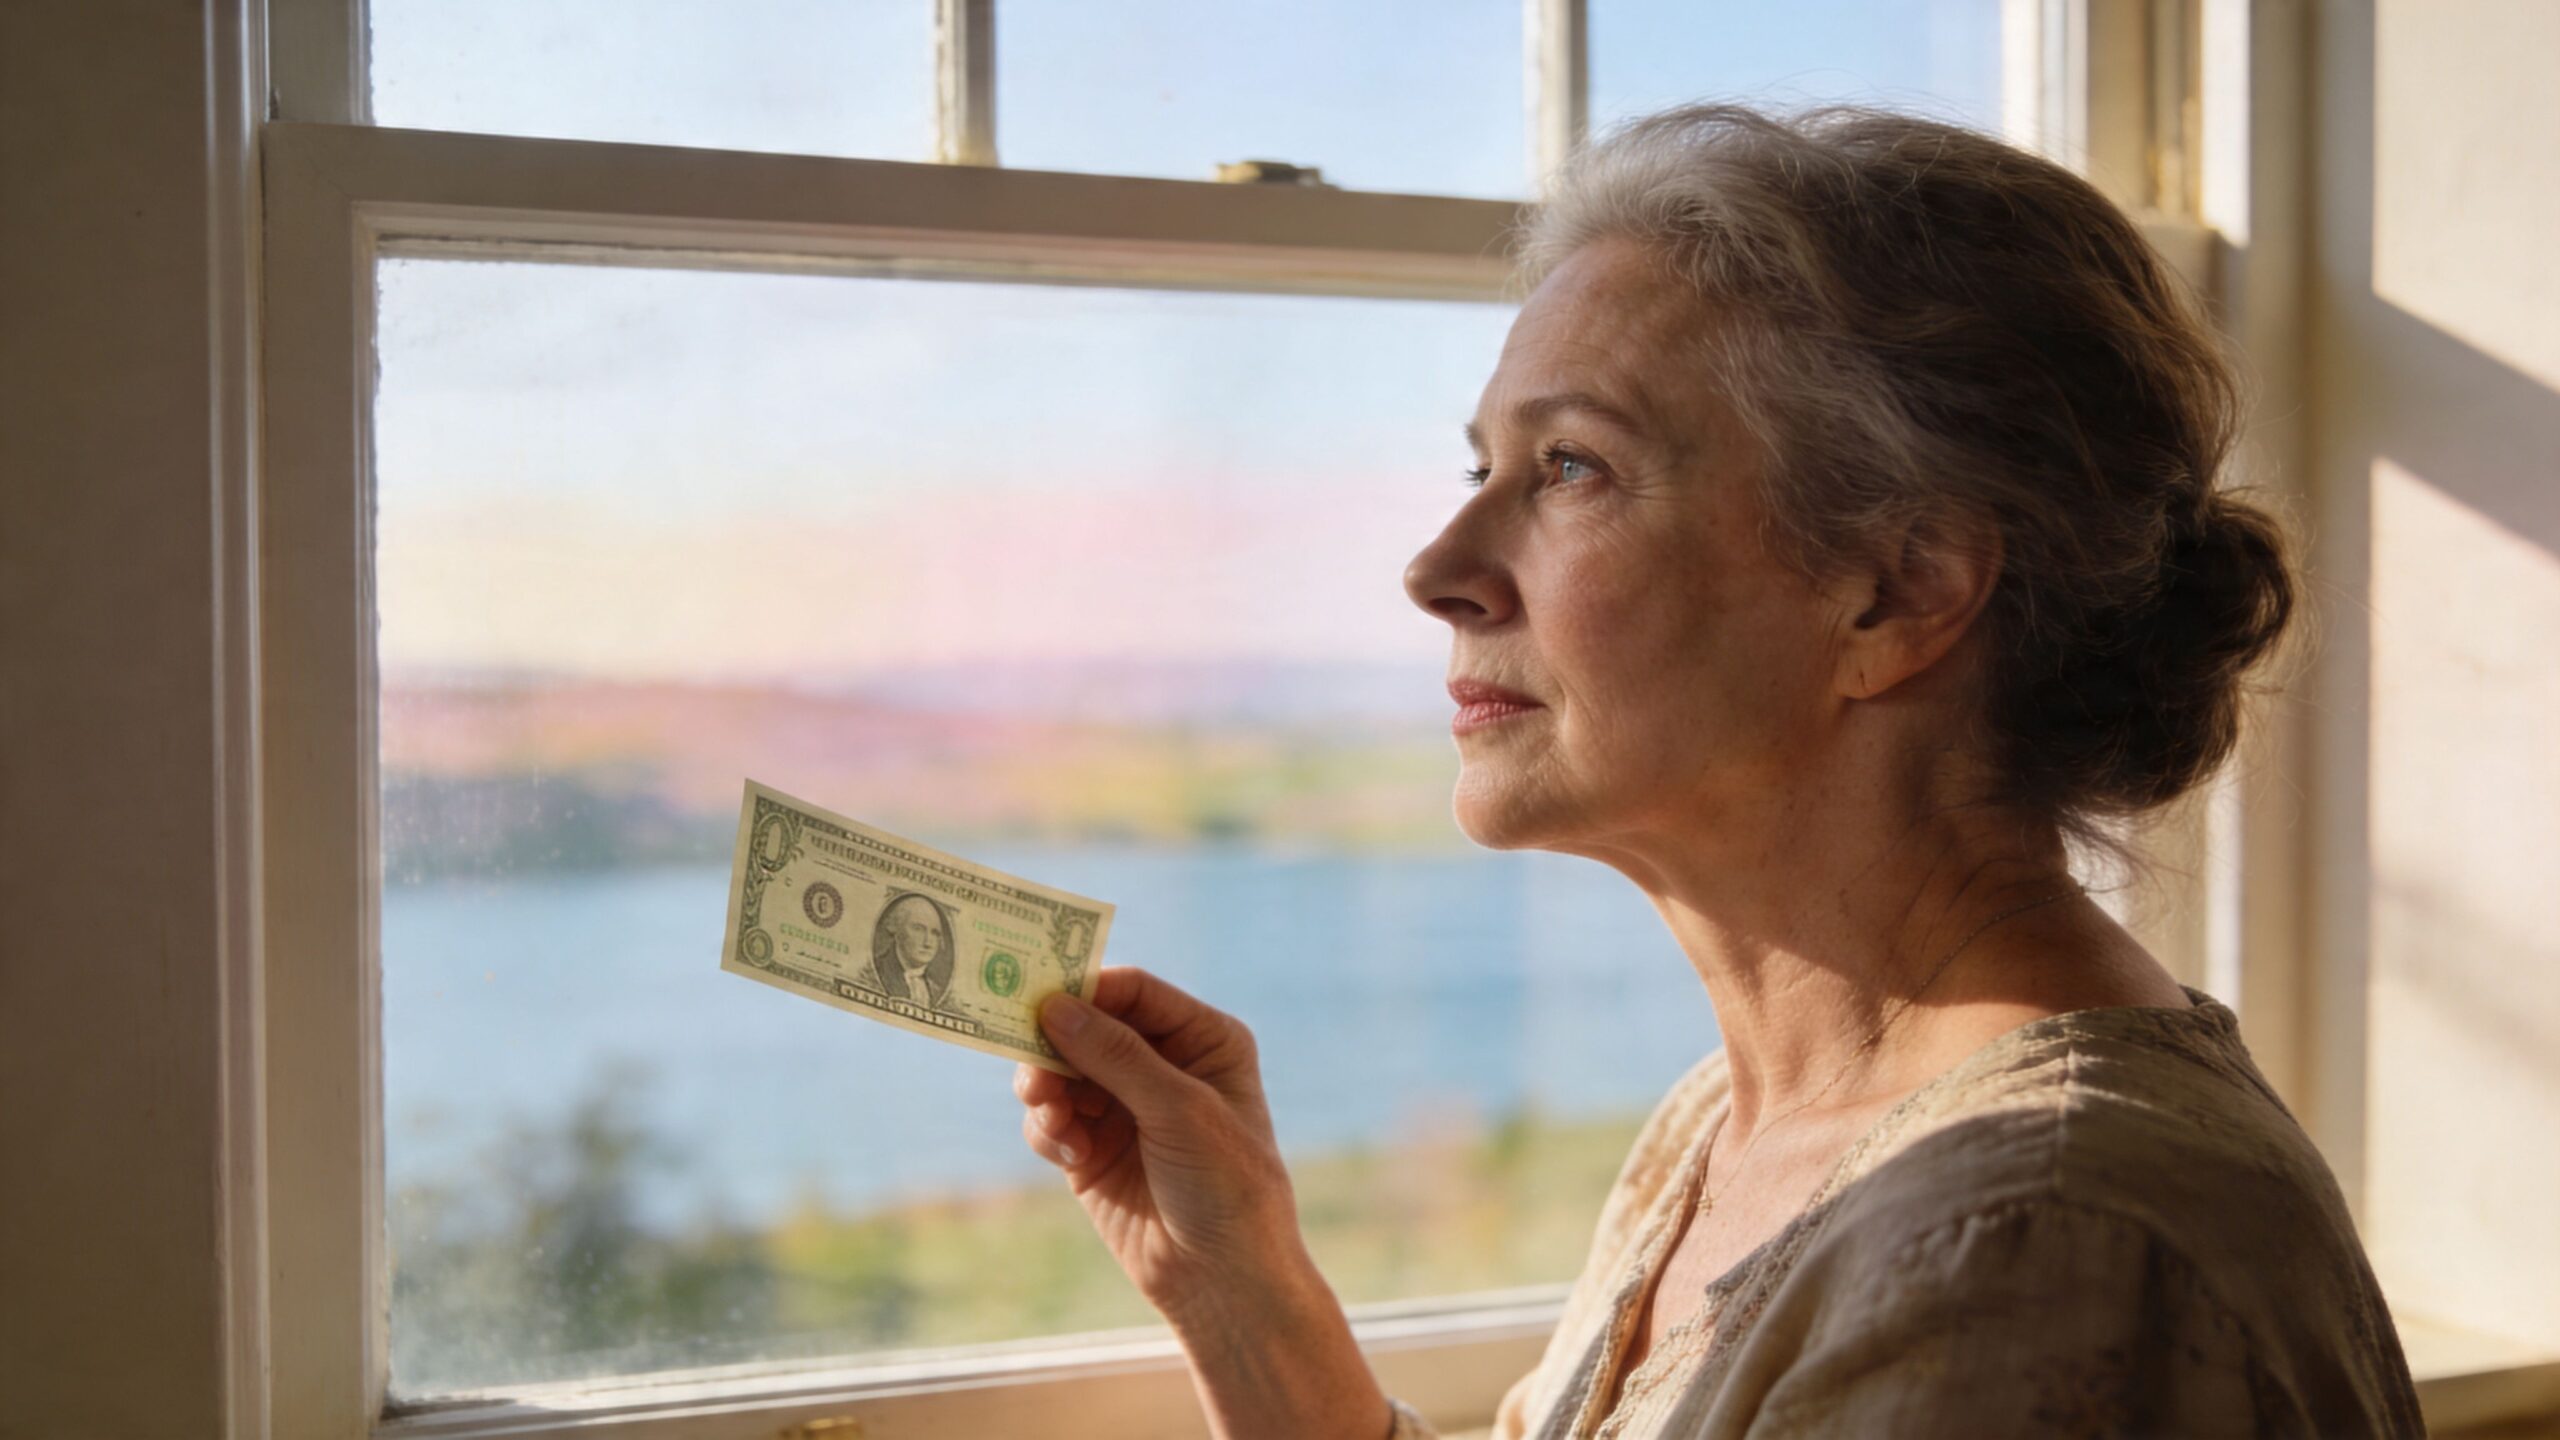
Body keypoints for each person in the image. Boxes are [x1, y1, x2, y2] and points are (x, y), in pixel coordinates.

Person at [1009, 102, 2424, 1438]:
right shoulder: (1738, 1127)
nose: (1438, 572)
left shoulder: (2035, 1238)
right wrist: (1243, 1290)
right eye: (1480, 470)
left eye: (1571, 468)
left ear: (1896, 589)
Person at [855, 891, 956, 1011]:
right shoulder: (874, 973)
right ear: (897, 930)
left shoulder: (936, 990)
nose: (928, 942)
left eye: (935, 933)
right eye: (918, 929)